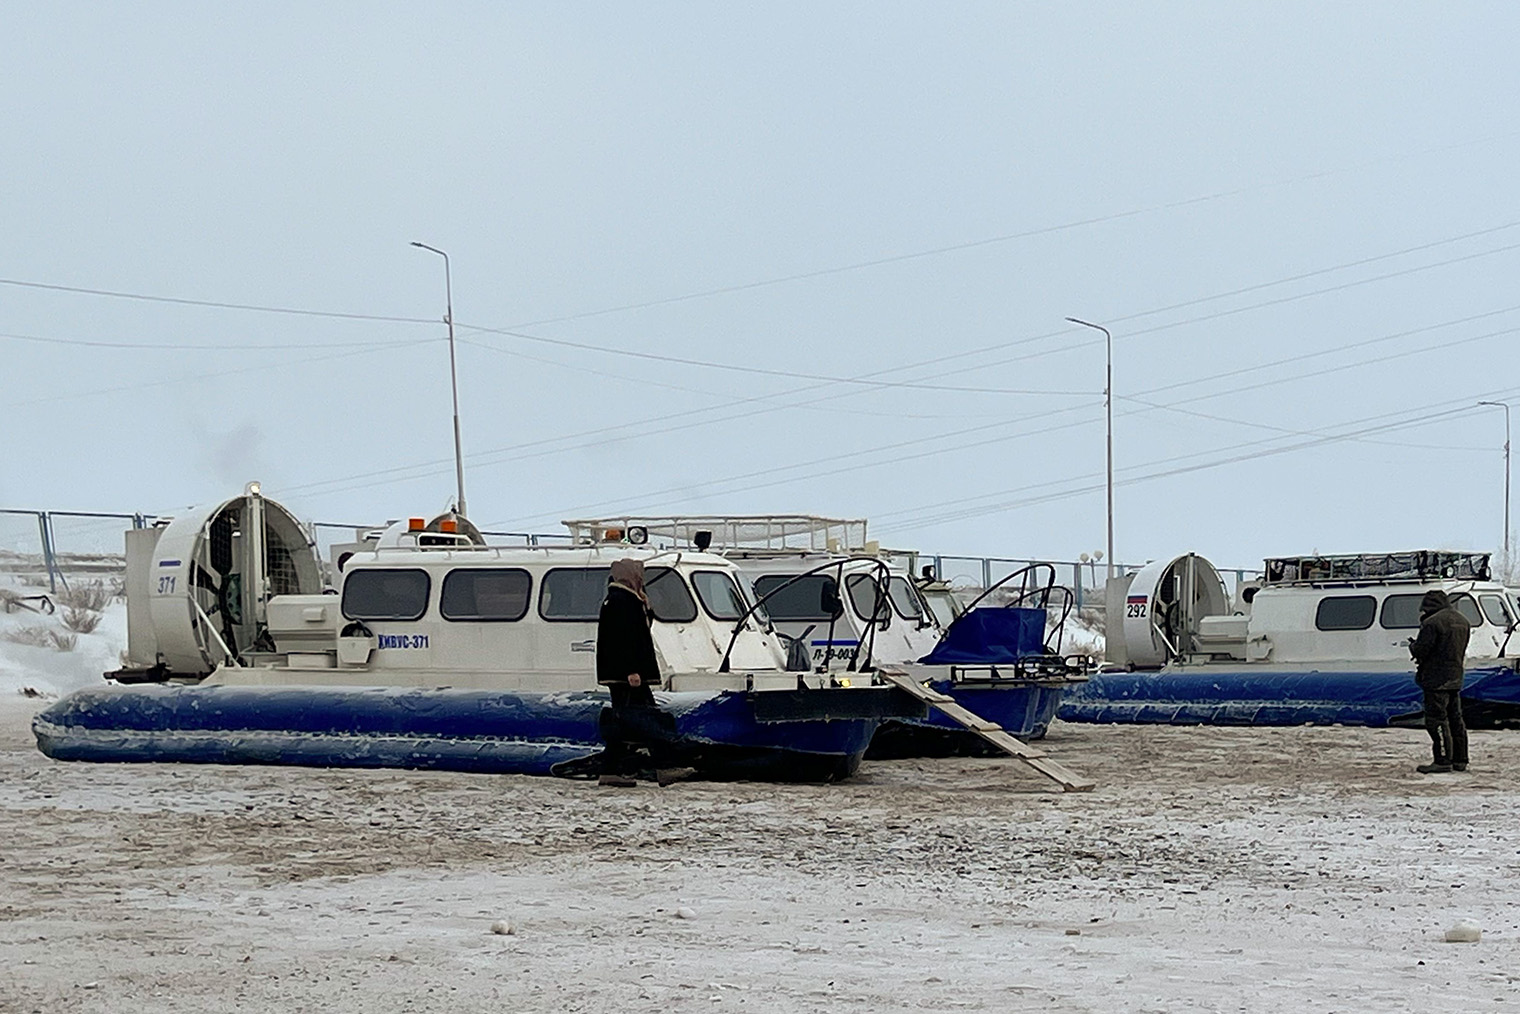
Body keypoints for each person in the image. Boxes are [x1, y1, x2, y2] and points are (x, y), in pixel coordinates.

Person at [594, 559, 663, 785]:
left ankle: (657, 765)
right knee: (633, 718)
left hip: (626, 673)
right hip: (627, 676)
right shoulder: (620, 601)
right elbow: (624, 639)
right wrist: (631, 671)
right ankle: (613, 768)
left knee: (642, 716)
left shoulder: (627, 599)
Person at [1409, 589, 1471, 774]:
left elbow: (1422, 650)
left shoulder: (1432, 623)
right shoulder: (1462, 620)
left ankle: (1442, 760)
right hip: (1455, 676)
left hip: (1436, 679)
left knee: (1437, 719)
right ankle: (1460, 760)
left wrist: (1413, 646)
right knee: (1456, 719)